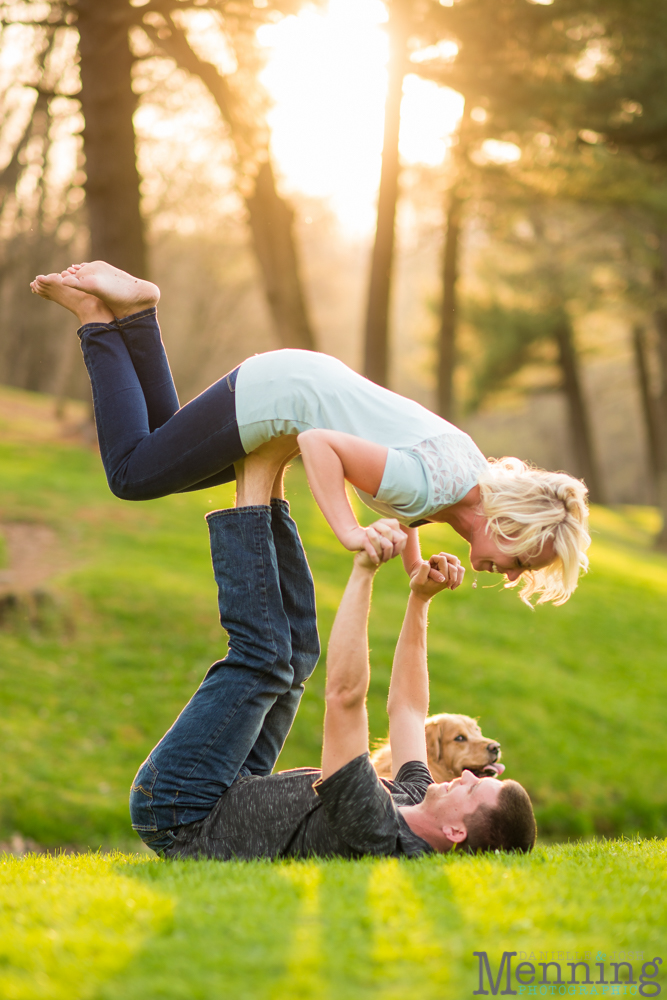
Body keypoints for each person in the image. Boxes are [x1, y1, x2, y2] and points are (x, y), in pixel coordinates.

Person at [30, 260, 590, 605]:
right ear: (509, 525)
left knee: (165, 446)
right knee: (133, 473)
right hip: (281, 399)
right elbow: (321, 447)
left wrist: (416, 565)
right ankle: (96, 319)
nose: (511, 576)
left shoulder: (463, 474)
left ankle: (137, 314)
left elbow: (407, 491)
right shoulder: (429, 488)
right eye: (522, 562)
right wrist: (349, 532)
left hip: (294, 380)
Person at [128, 447, 536, 859]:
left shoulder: (375, 829)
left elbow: (344, 697)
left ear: (455, 831)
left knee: (263, 657)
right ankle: (270, 477)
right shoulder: (415, 798)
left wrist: (365, 571)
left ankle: (254, 477)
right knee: (299, 654)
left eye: (472, 790)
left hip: (183, 808)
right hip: (234, 786)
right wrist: (419, 599)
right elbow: (409, 710)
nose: (465, 777)